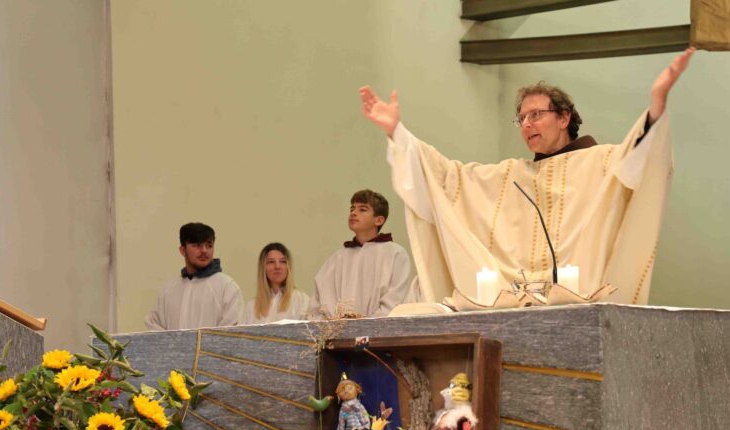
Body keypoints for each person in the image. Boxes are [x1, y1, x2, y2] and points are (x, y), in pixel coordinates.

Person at [359, 48, 695, 308]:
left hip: (583, 310)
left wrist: (656, 103)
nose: (528, 124)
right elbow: (447, 180)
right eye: (522, 119)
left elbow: (641, 160)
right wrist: (397, 133)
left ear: (564, 118)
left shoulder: (602, 162)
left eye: (536, 115)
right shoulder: (511, 176)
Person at [312, 189, 411, 318]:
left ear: (379, 220)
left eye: (362, 209)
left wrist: (366, 326)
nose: (353, 213)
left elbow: (395, 301)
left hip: (378, 333)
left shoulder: (395, 254)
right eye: (352, 209)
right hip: (337, 333)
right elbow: (319, 299)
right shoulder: (337, 258)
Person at [145, 222, 242, 331]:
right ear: (182, 250)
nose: (204, 250)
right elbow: (154, 327)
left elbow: (230, 334)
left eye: (209, 245)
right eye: (197, 245)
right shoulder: (168, 290)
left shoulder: (227, 287)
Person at [241, 243, 311, 324]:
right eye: (271, 262)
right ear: (263, 268)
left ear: (288, 267)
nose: (277, 266)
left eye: (283, 261)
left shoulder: (301, 301)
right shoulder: (252, 307)